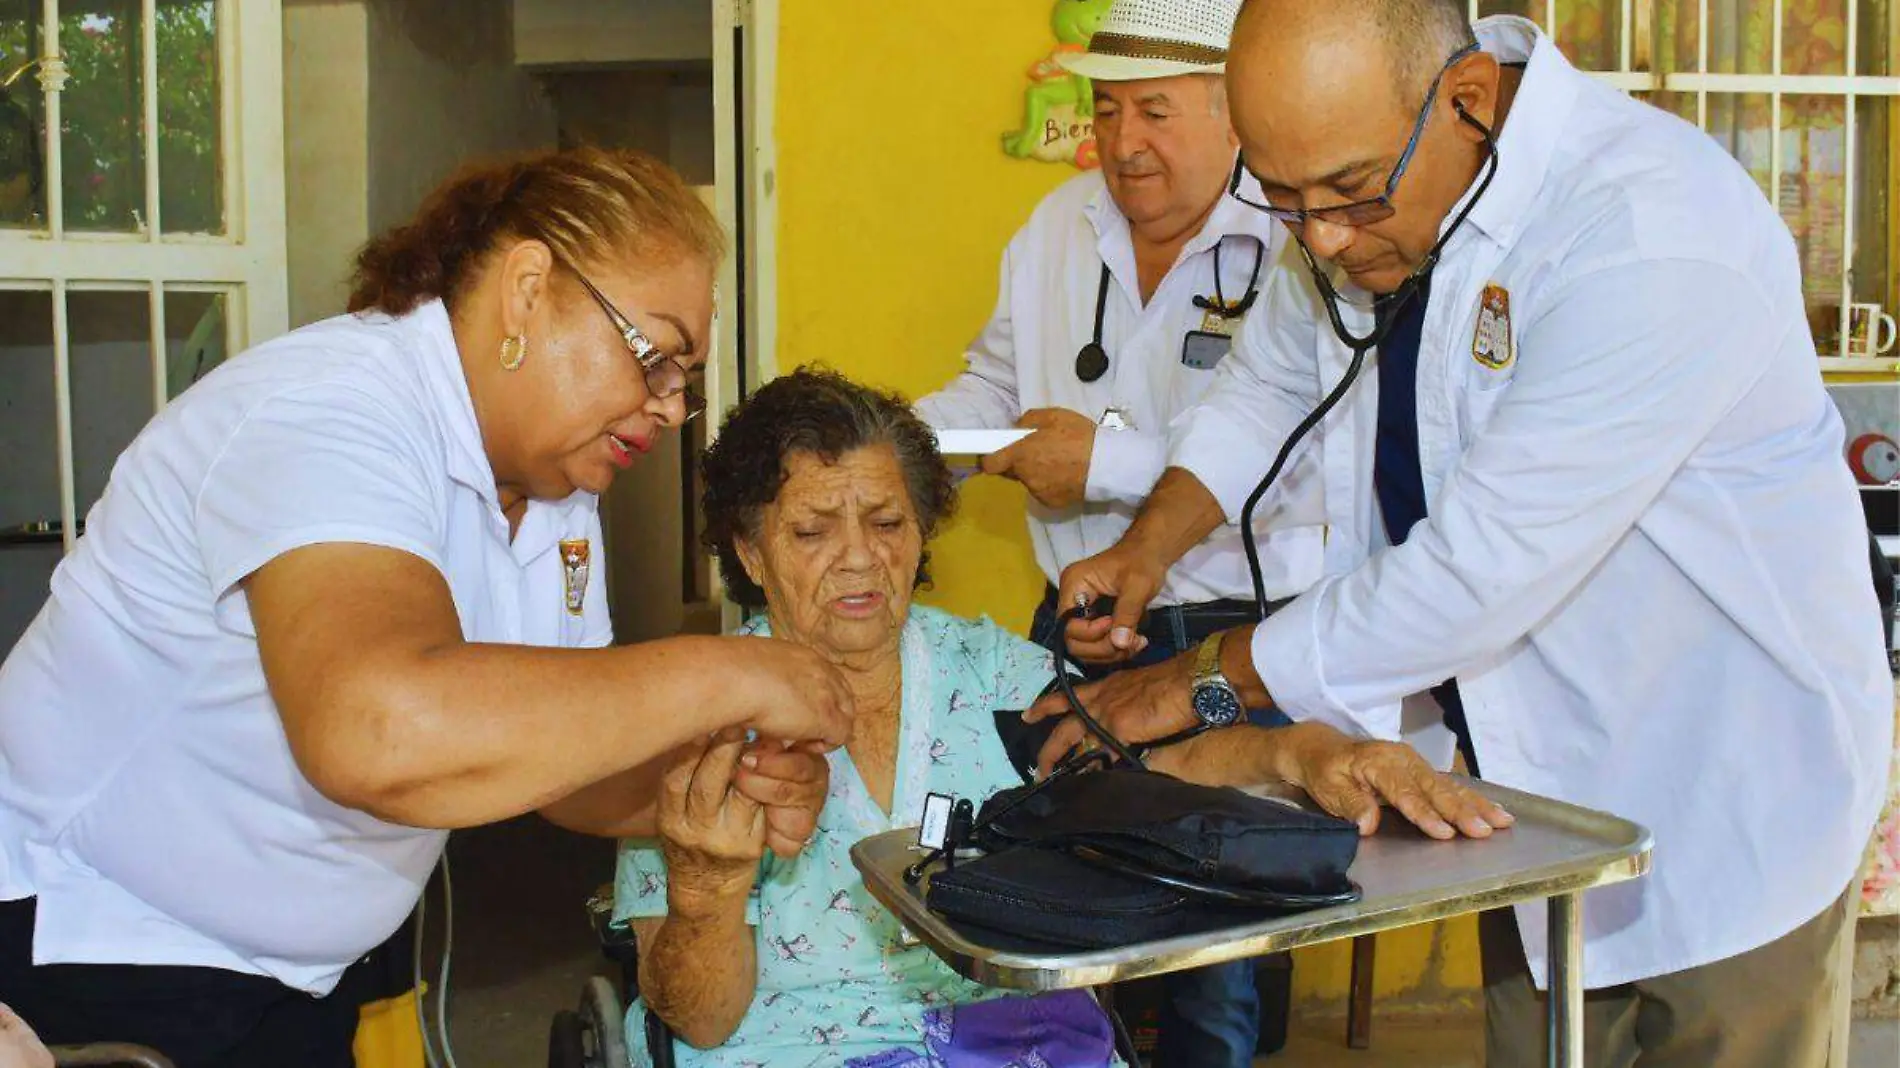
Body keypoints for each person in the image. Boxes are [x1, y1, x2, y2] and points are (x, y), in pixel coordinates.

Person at [1033, 3, 1894, 1066]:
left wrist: (1190, 683)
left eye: (1349, 195)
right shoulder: (1360, 197)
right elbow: (1261, 391)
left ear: (1469, 101)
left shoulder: (1651, 231)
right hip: (1529, 785)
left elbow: (1473, 573)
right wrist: (1143, 551)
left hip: (1726, 775)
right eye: (1285, 199)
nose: (1326, 237)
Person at [0, 148, 849, 1068]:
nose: (670, 407)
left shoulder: (556, 493)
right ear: (527, 289)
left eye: (683, 379)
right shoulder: (329, 412)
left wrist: (716, 787)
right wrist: (729, 669)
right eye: (654, 356)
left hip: (286, 978)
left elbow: (564, 766)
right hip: (88, 953)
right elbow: (377, 728)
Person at [614, 368, 1509, 1067]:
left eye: (888, 522)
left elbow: (1133, 778)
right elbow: (697, 1013)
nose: (859, 559)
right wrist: (705, 887)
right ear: (748, 548)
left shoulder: (992, 670)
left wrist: (1298, 754)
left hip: (1021, 1045)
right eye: (812, 531)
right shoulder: (692, 714)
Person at [913, 1, 1326, 1060]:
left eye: (1155, 111)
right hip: (1081, 615)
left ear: (1233, 114)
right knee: (1061, 872)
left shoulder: (1296, 238)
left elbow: (1302, 463)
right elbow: (993, 381)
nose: (1124, 143)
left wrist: (1100, 463)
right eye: (1106, 110)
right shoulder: (1056, 227)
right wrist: (892, 442)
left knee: (1212, 920)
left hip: (1237, 626)